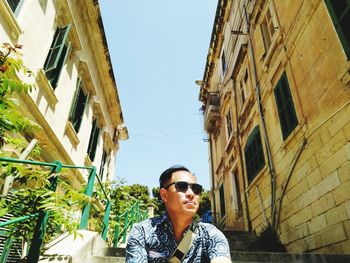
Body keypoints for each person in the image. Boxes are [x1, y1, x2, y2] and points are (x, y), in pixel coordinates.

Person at [126, 165, 231, 262]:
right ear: (164, 195)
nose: (191, 193)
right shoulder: (142, 232)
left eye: (196, 189)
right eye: (181, 186)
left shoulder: (210, 234)